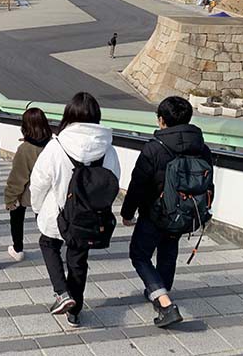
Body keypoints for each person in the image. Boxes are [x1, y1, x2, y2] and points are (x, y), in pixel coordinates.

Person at [30, 92, 121, 328]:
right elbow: (112, 183)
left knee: (48, 243)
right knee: (78, 261)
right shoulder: (108, 150)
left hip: (57, 214)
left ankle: (62, 292)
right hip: (87, 219)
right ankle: (75, 312)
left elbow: (39, 182)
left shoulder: (56, 146)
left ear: (68, 115)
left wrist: (38, 208)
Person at [122, 96, 214, 329]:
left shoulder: (154, 148)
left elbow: (138, 184)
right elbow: (207, 183)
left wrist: (127, 212)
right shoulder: (202, 148)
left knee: (139, 254)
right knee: (168, 250)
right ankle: (161, 289)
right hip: (185, 213)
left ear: (161, 120)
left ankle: (165, 304)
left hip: (155, 214)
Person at [4, 107, 52, 262]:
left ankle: (18, 248)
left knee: (16, 214)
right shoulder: (53, 145)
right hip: (49, 192)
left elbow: (18, 178)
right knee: (45, 218)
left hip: (28, 192)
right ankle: (52, 246)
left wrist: (10, 198)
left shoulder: (25, 149)